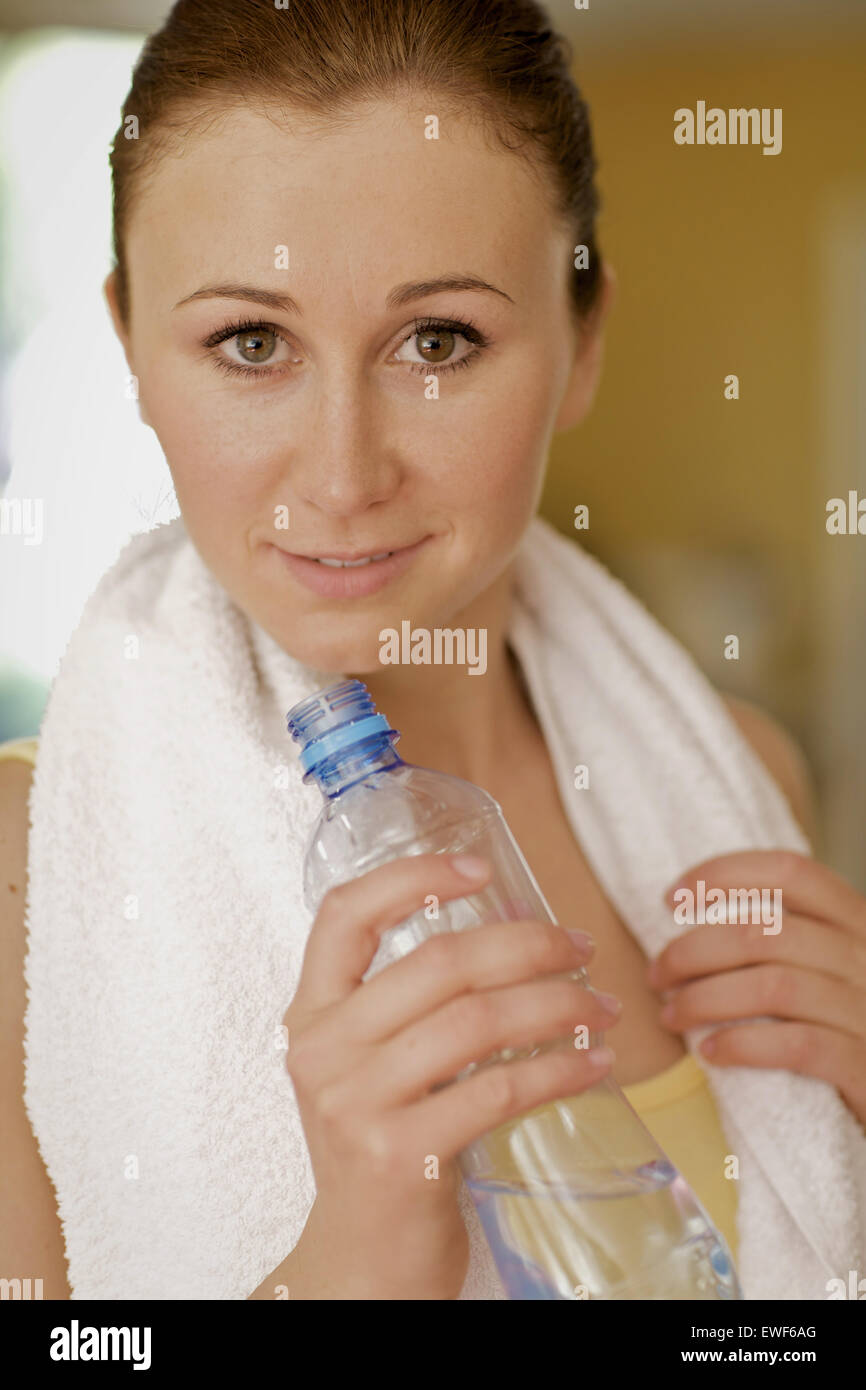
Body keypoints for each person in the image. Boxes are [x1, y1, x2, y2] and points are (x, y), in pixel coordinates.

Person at [1, 0, 863, 1302]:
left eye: (436, 341)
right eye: (250, 342)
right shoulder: (25, 878)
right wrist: (352, 1261)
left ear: (581, 345)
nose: (343, 475)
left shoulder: (744, 786)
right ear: (129, 343)